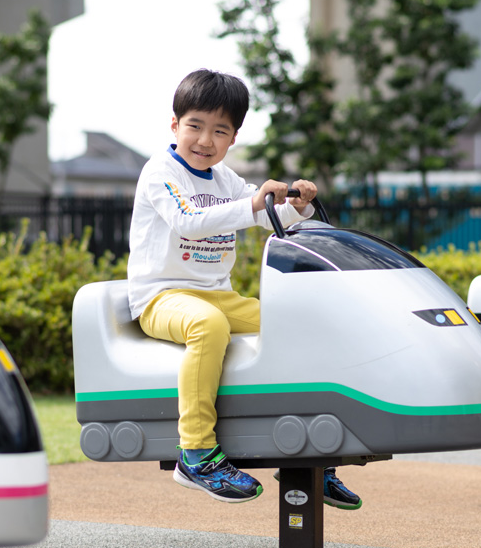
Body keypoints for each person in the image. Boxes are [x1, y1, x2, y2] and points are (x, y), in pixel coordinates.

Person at [127, 69, 362, 509]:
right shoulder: (160, 172)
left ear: (233, 138)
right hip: (162, 297)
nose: (205, 140)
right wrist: (255, 201)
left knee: (301, 326)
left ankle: (315, 452)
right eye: (195, 126)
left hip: (218, 295)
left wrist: (298, 205)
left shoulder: (226, 179)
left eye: (220, 131)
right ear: (174, 125)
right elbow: (188, 221)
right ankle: (195, 453)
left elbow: (263, 217)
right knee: (208, 325)